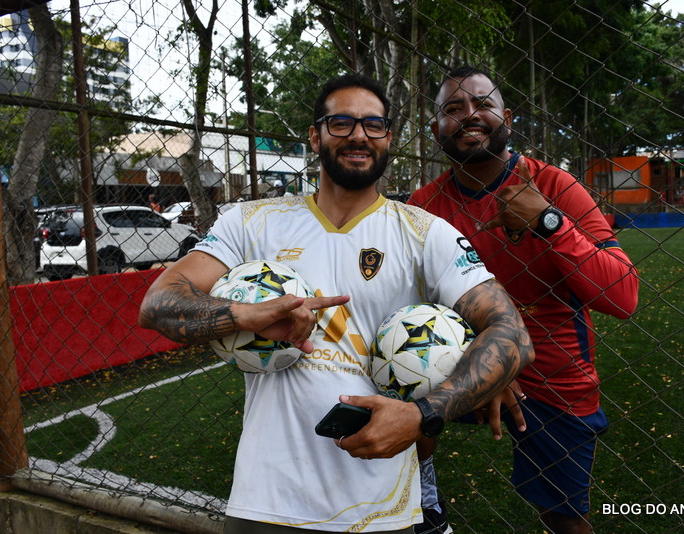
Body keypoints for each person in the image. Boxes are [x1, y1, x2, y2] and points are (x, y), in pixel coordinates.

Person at [139, 73, 534, 534]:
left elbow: (513, 334)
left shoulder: (427, 233)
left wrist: (422, 415)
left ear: (389, 137)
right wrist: (245, 315)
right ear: (315, 135)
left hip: (381, 510)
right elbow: (158, 302)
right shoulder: (250, 222)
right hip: (265, 503)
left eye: (373, 125)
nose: (359, 135)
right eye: (341, 123)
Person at [408, 66, 639, 534]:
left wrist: (550, 222)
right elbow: (412, 306)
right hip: (460, 361)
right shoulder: (423, 205)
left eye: (483, 104)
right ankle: (422, 494)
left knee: (564, 519)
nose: (469, 115)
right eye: (453, 108)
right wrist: (487, 367)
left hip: (551, 375)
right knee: (390, 384)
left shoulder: (555, 186)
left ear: (507, 118)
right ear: (436, 130)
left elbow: (622, 296)